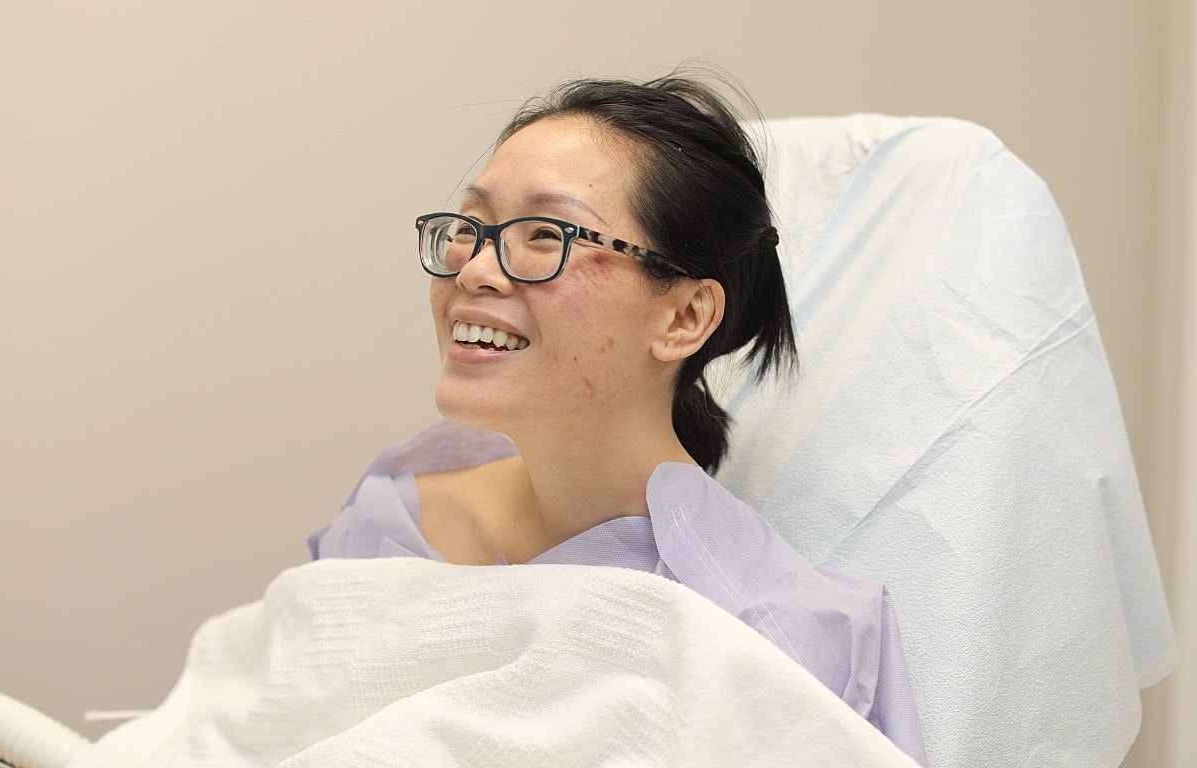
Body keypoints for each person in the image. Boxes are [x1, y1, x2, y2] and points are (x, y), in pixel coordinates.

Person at [310, 72, 926, 763]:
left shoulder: (777, 638)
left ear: (683, 316)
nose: (475, 269)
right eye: (470, 227)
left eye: (545, 235)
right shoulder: (391, 522)